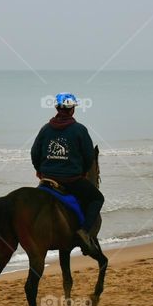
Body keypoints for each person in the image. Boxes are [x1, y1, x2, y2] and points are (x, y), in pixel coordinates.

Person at [31, 93, 104, 255]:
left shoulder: (45, 129)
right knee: (97, 198)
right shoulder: (79, 130)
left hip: (47, 179)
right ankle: (84, 233)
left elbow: (34, 152)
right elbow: (89, 156)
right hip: (71, 180)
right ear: (72, 110)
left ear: (57, 108)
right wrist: (84, 172)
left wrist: (39, 170)